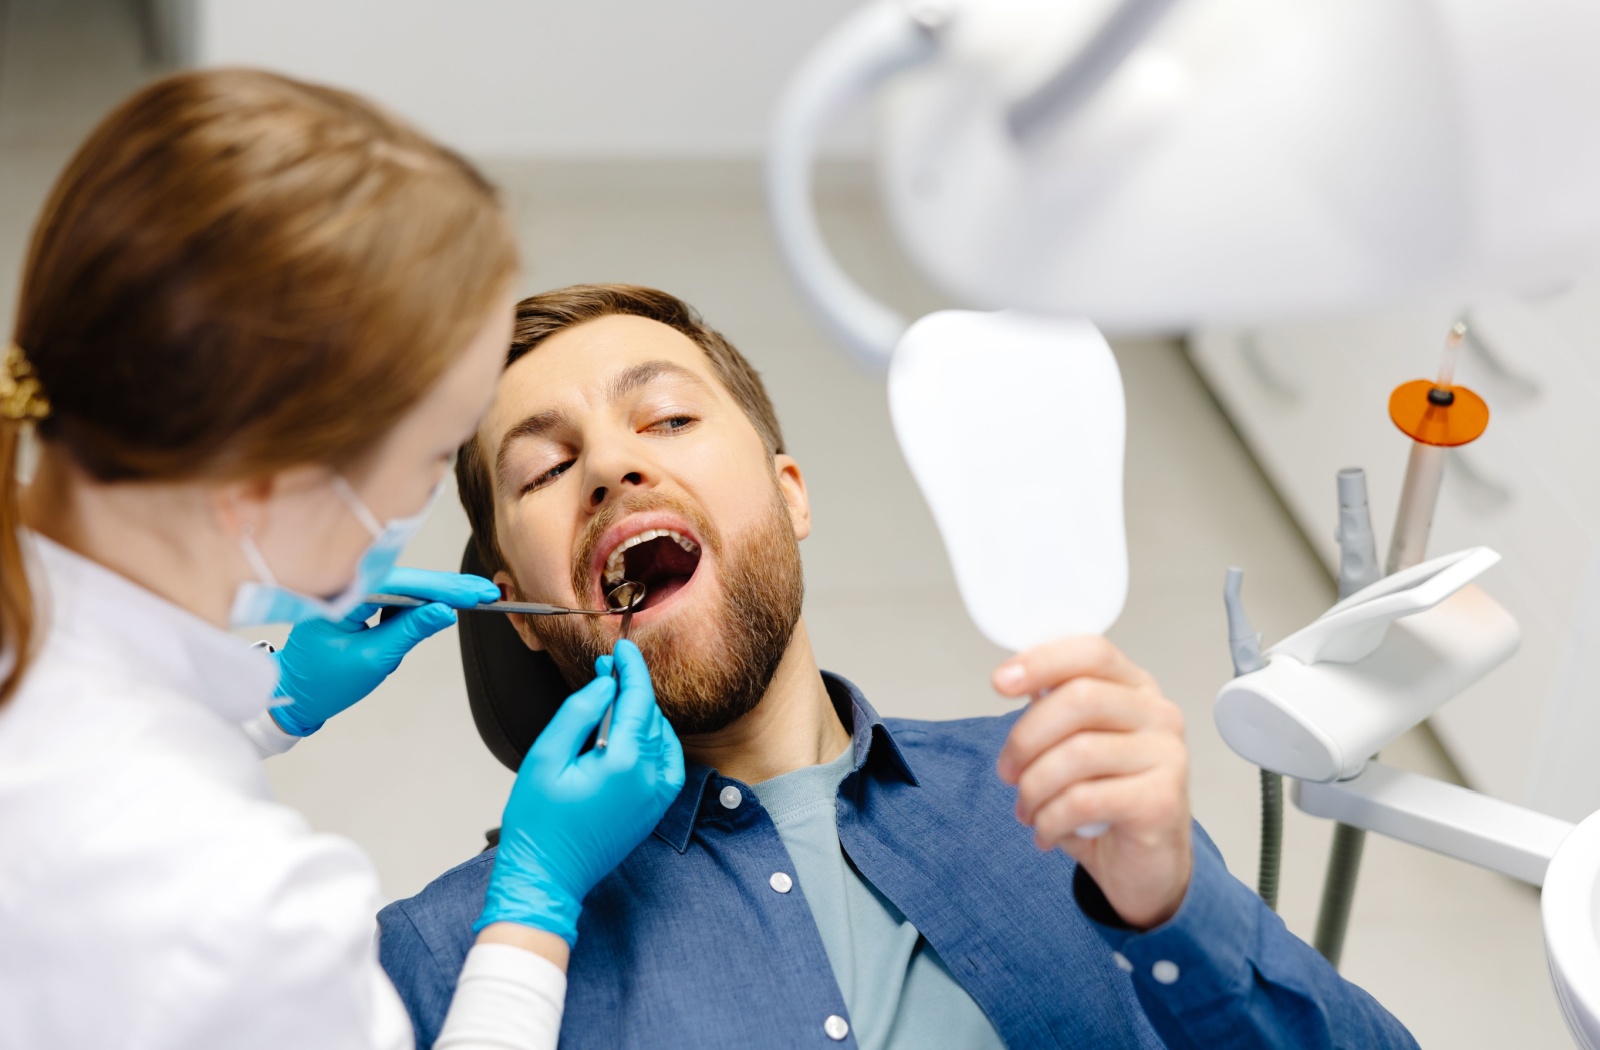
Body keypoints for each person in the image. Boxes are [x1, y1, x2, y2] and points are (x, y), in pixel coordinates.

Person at [377, 284, 1420, 1050]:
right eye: (548, 468)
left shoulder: (1070, 804)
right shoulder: (444, 959)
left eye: (670, 419)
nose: (611, 465)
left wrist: (1176, 909)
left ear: (789, 494)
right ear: (517, 606)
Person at [0, 75, 682, 1049]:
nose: (615, 466)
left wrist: (268, 709)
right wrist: (535, 903)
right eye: (435, 454)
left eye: (670, 419)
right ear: (262, 478)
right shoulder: (239, 906)